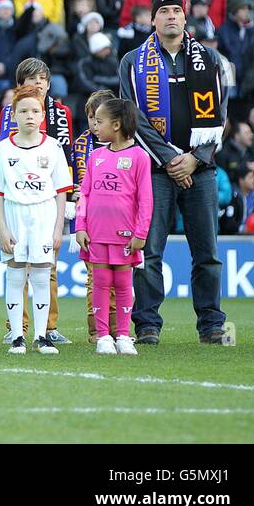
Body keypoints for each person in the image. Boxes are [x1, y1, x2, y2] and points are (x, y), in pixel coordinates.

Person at [118, 0, 229, 345]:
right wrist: (170, 160)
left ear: (185, 18)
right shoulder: (133, 61)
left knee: (207, 252)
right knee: (149, 252)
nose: (170, 16)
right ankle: (147, 324)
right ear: (152, 19)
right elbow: (132, 116)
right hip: (154, 171)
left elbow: (221, 116)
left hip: (202, 168)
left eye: (175, 11)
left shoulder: (210, 59)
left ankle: (212, 324)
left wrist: (195, 159)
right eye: (163, 11)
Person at [0, 57, 74, 343]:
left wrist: (69, 196)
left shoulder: (61, 114)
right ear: (20, 87)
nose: (38, 84)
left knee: (46, 270)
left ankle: (48, 329)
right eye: (32, 80)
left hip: (47, 202)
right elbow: (2, 167)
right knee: (17, 270)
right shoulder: (8, 117)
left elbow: (66, 150)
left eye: (42, 79)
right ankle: (17, 329)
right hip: (18, 203)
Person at [76, 97, 153, 356]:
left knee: (122, 284)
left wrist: (140, 233)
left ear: (117, 125)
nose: (95, 127)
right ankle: (102, 337)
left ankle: (122, 335)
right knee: (100, 282)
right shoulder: (96, 156)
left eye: (100, 122)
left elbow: (145, 200)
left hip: (125, 235)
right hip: (97, 234)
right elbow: (84, 194)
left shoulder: (139, 157)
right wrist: (80, 226)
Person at [73, 89, 119, 343]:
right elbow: (76, 180)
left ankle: (118, 328)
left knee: (119, 276)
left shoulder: (127, 145)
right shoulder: (81, 144)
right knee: (95, 277)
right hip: (90, 219)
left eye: (99, 118)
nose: (94, 123)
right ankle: (96, 330)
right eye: (91, 117)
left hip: (118, 220)